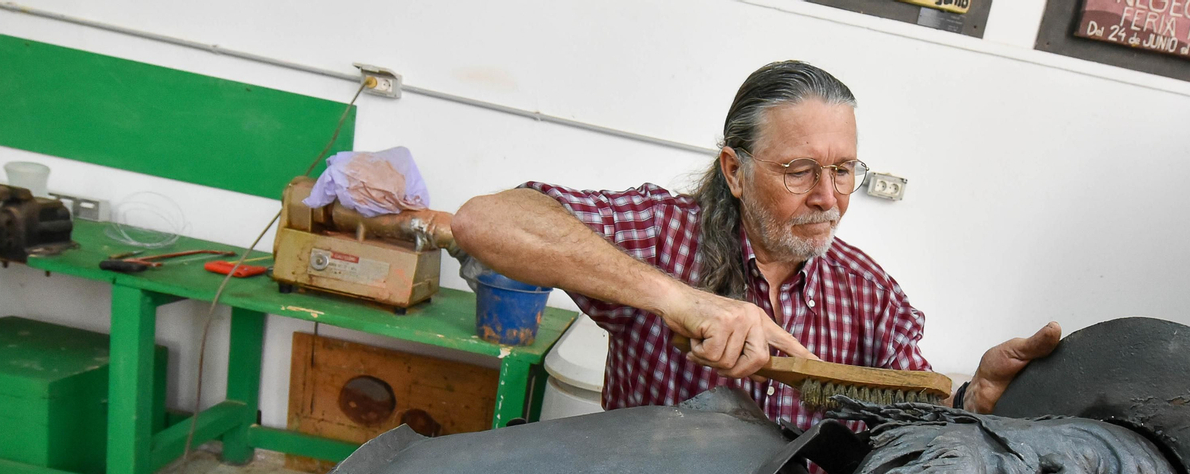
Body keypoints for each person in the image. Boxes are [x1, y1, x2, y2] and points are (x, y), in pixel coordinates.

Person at [449, 60, 1060, 428]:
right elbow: (485, 222)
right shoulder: (666, 235)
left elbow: (907, 419)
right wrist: (679, 300)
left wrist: (969, 400)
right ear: (735, 172)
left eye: (844, 170)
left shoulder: (869, 295)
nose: (828, 197)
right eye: (799, 170)